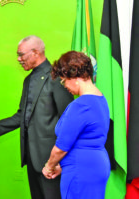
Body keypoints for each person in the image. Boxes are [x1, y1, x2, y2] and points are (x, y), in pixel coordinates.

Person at [0, 35, 73, 199]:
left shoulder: (56, 78)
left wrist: (63, 161)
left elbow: (68, 122)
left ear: (35, 53)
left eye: (21, 55)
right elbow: (22, 116)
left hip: (52, 161)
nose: (18, 59)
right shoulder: (29, 80)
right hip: (32, 158)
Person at [42, 51, 111, 199]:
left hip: (81, 171)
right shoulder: (100, 99)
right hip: (95, 166)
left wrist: (49, 166)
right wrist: (63, 167)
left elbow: (61, 148)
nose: (64, 86)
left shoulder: (80, 105)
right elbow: (87, 139)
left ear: (74, 77)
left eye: (63, 80)